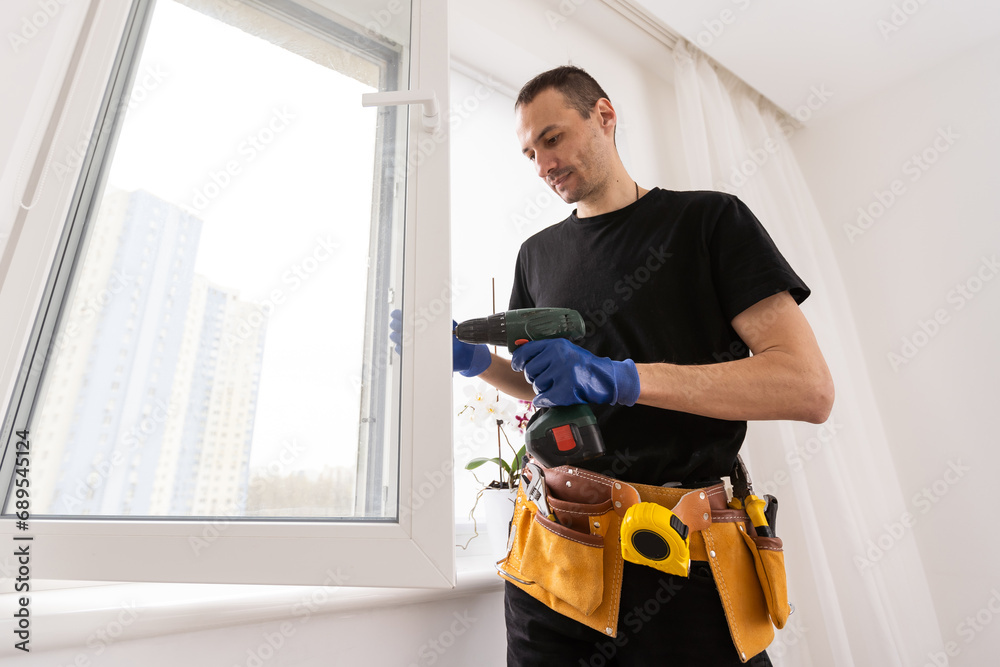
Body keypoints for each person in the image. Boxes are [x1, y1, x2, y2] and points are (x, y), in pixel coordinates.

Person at [394, 65, 833, 665]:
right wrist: (475, 362)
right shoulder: (537, 254)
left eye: (552, 138)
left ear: (604, 116)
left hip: (676, 556)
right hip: (553, 552)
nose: (543, 163)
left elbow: (807, 388)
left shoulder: (709, 223)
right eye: (529, 153)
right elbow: (544, 386)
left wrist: (621, 378)